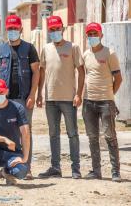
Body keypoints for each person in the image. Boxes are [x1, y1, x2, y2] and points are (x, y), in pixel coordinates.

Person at [0, 15, 40, 179]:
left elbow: (36, 72)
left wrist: (33, 94)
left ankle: (26, 166)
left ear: (21, 29)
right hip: (4, 100)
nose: (12, 31)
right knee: (6, 133)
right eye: (9, 29)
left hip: (24, 99)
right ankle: (6, 168)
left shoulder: (30, 49)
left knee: (25, 133)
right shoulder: (0, 49)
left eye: (15, 28)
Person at [37, 16, 85, 179]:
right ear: (49, 31)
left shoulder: (73, 47)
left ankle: (75, 169)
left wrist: (78, 94)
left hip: (68, 98)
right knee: (53, 134)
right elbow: (42, 72)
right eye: (52, 30)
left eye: (57, 29)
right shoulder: (46, 49)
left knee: (72, 133)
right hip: (50, 99)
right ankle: (55, 167)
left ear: (62, 29)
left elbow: (81, 71)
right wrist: (39, 94)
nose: (55, 32)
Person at [82, 23, 123, 182]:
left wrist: (109, 94)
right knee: (92, 137)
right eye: (89, 34)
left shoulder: (110, 53)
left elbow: (118, 78)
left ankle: (115, 172)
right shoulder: (86, 55)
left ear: (101, 35)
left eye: (95, 33)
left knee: (109, 136)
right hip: (88, 102)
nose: (92, 36)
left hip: (106, 102)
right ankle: (96, 171)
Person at [0, 79, 30, 185]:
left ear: (6, 91)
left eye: (1, 92)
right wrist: (4, 139)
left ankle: (5, 172)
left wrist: (24, 158)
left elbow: (25, 133)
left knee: (22, 172)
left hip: (13, 153)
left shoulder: (18, 108)